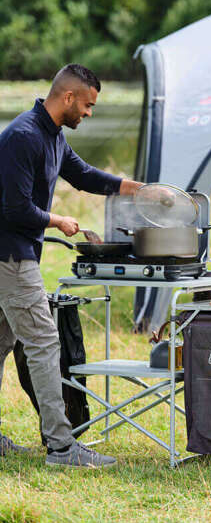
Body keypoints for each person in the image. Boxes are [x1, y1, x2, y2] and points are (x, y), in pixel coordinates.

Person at [0, 64, 143, 468]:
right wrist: (57, 220)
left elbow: (81, 175)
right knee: (45, 344)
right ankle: (63, 447)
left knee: (0, 344)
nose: (89, 113)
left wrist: (133, 188)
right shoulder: (23, 137)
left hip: (11, 256)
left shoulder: (52, 135)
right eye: (88, 104)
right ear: (68, 98)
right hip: (11, 257)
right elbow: (13, 208)